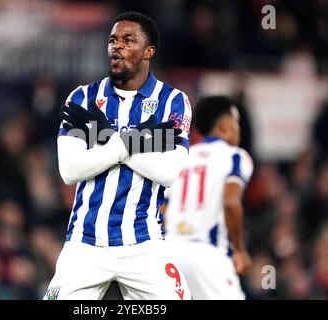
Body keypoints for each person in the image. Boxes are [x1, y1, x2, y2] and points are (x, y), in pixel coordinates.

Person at [44, 11, 192, 300]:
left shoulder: (173, 101)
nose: (117, 46)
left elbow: (168, 173)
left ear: (148, 51)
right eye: (113, 40)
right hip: (85, 244)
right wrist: (136, 141)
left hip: (143, 244)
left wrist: (109, 138)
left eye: (128, 40)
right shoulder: (82, 98)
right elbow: (70, 170)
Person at [164, 96, 253, 300]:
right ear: (224, 127)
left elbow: (161, 209)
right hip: (208, 255)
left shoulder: (181, 158)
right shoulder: (235, 156)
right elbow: (231, 202)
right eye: (235, 123)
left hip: (170, 254)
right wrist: (239, 249)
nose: (238, 129)